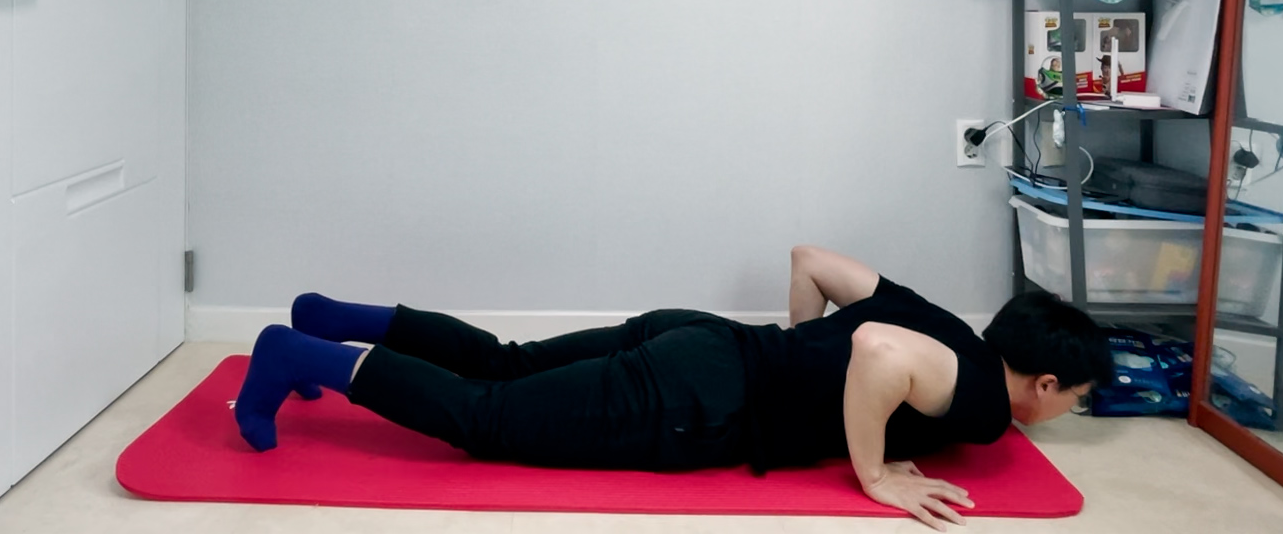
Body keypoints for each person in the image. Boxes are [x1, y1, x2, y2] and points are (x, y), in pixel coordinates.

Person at [234, 245, 1111, 530]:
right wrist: (874, 473)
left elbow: (813, 261)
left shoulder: (949, 324)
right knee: (487, 418)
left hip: (700, 336)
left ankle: (329, 316)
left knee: (504, 360)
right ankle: (297, 356)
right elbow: (877, 353)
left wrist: (797, 355)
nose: (1066, 411)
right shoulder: (984, 408)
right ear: (1043, 381)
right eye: (1074, 399)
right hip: (701, 399)